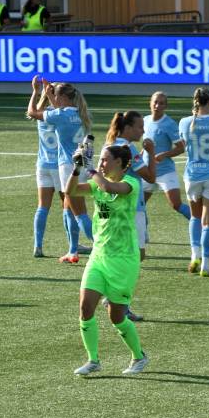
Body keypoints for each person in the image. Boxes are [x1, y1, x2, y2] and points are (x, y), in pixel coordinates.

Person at [68, 145, 149, 376]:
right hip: (99, 256)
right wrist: (77, 168)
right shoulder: (97, 184)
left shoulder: (131, 184)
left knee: (117, 317)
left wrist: (91, 170)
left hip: (123, 260)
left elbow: (109, 187)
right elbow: (70, 191)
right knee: (85, 307)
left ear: (119, 162)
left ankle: (139, 356)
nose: (101, 163)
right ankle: (93, 360)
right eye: (100, 160)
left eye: (105, 160)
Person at [27, 81, 94, 262]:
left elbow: (32, 112)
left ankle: (102, 245)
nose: (54, 99)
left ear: (62, 97)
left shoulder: (59, 115)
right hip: (82, 164)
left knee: (79, 214)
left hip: (66, 167)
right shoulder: (82, 114)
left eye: (56, 96)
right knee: (70, 209)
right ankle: (73, 249)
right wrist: (51, 94)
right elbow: (61, 111)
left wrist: (37, 91)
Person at [105, 110, 156, 322]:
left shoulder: (111, 144)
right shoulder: (128, 148)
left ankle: (114, 297)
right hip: (132, 209)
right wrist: (151, 152)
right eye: (139, 127)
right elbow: (150, 177)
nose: (143, 131)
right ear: (127, 128)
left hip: (116, 208)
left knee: (124, 254)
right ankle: (119, 302)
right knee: (135, 256)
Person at [179, 87, 209, 276]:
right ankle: (206, 265)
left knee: (195, 217)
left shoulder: (184, 122)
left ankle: (194, 256)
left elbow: (184, 143)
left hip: (192, 175)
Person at [27, 75, 71, 258]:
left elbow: (31, 111)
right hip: (59, 166)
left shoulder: (41, 113)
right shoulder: (57, 114)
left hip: (42, 165)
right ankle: (73, 245)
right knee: (68, 205)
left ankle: (38, 246)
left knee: (42, 207)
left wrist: (35, 92)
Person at [143, 92, 190, 239]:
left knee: (176, 204)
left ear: (166, 106)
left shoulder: (169, 124)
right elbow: (145, 145)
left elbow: (181, 147)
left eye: (161, 103)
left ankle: (200, 223)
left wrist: (165, 154)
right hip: (147, 171)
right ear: (150, 103)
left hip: (165, 172)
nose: (157, 105)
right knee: (137, 205)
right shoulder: (145, 120)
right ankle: (142, 234)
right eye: (155, 102)